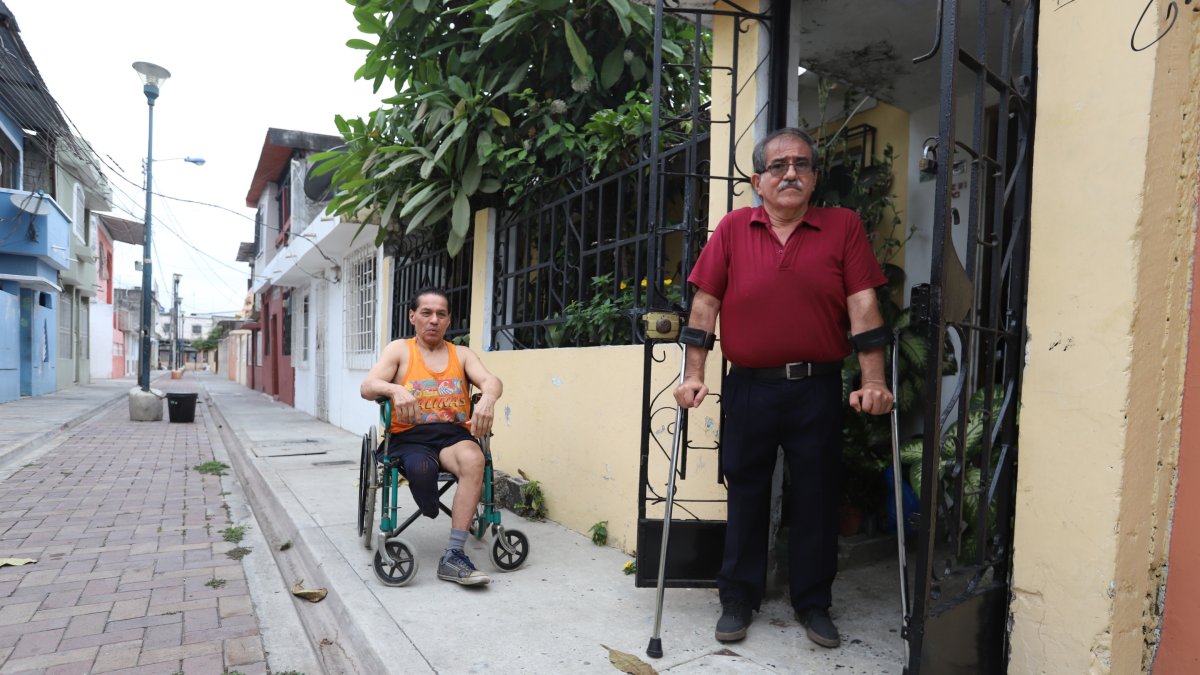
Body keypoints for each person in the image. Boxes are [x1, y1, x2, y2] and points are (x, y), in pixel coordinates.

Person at [674, 127, 894, 648]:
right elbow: (705, 307)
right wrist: (694, 374)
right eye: (778, 166)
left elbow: (863, 304)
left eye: (801, 165)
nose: (790, 173)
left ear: (815, 178)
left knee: (817, 497)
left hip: (815, 388)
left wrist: (875, 379)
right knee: (747, 491)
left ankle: (813, 602)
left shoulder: (843, 226)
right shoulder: (732, 228)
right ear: (758, 180)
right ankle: (737, 597)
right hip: (750, 387)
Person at [360, 287, 503, 586]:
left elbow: (491, 380)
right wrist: (395, 389)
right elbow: (368, 386)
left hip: (452, 437)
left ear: (449, 320)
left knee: (474, 459)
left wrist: (488, 398)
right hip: (410, 437)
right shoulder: (400, 350)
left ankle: (453, 556)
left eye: (441, 314)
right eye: (426, 313)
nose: (434, 320)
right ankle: (429, 505)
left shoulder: (461, 354)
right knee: (421, 471)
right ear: (413, 316)